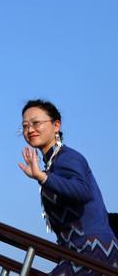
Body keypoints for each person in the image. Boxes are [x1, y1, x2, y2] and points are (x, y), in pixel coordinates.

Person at [19, 99, 118, 275]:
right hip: (77, 253)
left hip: (94, 251)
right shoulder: (52, 164)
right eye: (25, 126)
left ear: (56, 125)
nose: (30, 130)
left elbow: (82, 191)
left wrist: (42, 177)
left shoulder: (68, 157)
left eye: (36, 123)